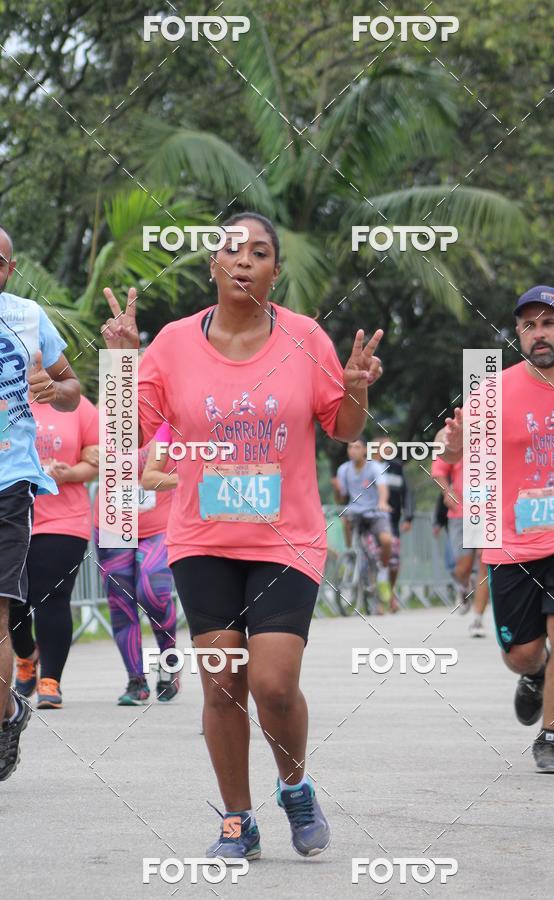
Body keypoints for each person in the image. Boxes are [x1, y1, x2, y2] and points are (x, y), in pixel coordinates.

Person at [101, 212, 384, 859]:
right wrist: (121, 364)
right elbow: (128, 436)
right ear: (213, 266)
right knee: (223, 682)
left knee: (274, 683)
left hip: (287, 538)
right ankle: (237, 819)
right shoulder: (171, 345)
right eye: (232, 250)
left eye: (260, 252)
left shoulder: (307, 337)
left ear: (274, 272)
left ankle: (295, 786)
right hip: (203, 537)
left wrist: (359, 389)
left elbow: (342, 426)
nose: (244, 260)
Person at [441, 285, 554, 773]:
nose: (540, 333)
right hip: (510, 541)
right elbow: (451, 453)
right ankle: (533, 676)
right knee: (524, 653)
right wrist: (453, 446)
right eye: (529, 325)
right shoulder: (491, 390)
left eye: (549, 323)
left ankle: (550, 737)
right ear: (518, 335)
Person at [0, 225, 80, 780]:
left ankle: (3, 719)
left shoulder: (29, 317)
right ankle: (10, 709)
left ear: (7, 268)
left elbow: (72, 388)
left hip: (9, 482)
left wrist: (58, 390)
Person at [10, 396, 99, 708]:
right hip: (12, 518)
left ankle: (51, 680)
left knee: (51, 599)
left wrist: (70, 473)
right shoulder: (7, 398)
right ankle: (25, 656)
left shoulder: (76, 405)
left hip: (63, 520)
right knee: (13, 602)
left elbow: (97, 459)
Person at [93, 419, 179, 705]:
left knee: (153, 593)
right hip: (111, 524)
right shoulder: (103, 418)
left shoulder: (167, 419)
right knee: (121, 603)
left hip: (158, 525)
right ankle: (136, 681)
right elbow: (86, 455)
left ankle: (169, 664)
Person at [334, 438, 393, 613]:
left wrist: (383, 502)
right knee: (344, 517)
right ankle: (350, 554)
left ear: (365, 450)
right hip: (355, 511)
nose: (353, 450)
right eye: (350, 447)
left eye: (357, 447)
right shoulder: (343, 470)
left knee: (387, 541)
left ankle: (382, 573)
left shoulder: (374, 467)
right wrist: (337, 490)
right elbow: (341, 498)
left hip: (375, 512)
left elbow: (383, 489)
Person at [370, 446, 414, 610]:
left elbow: (407, 493)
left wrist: (408, 516)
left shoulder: (396, 467)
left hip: (392, 522)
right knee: (373, 559)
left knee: (393, 562)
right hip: (370, 520)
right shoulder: (366, 467)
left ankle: (391, 591)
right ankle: (379, 601)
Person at [430, 457, 476, 614]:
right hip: (460, 513)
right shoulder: (454, 438)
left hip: (489, 512)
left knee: (484, 562)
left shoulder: (493, 438)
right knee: (462, 567)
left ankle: (479, 619)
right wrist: (447, 492)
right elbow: (437, 472)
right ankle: (464, 586)